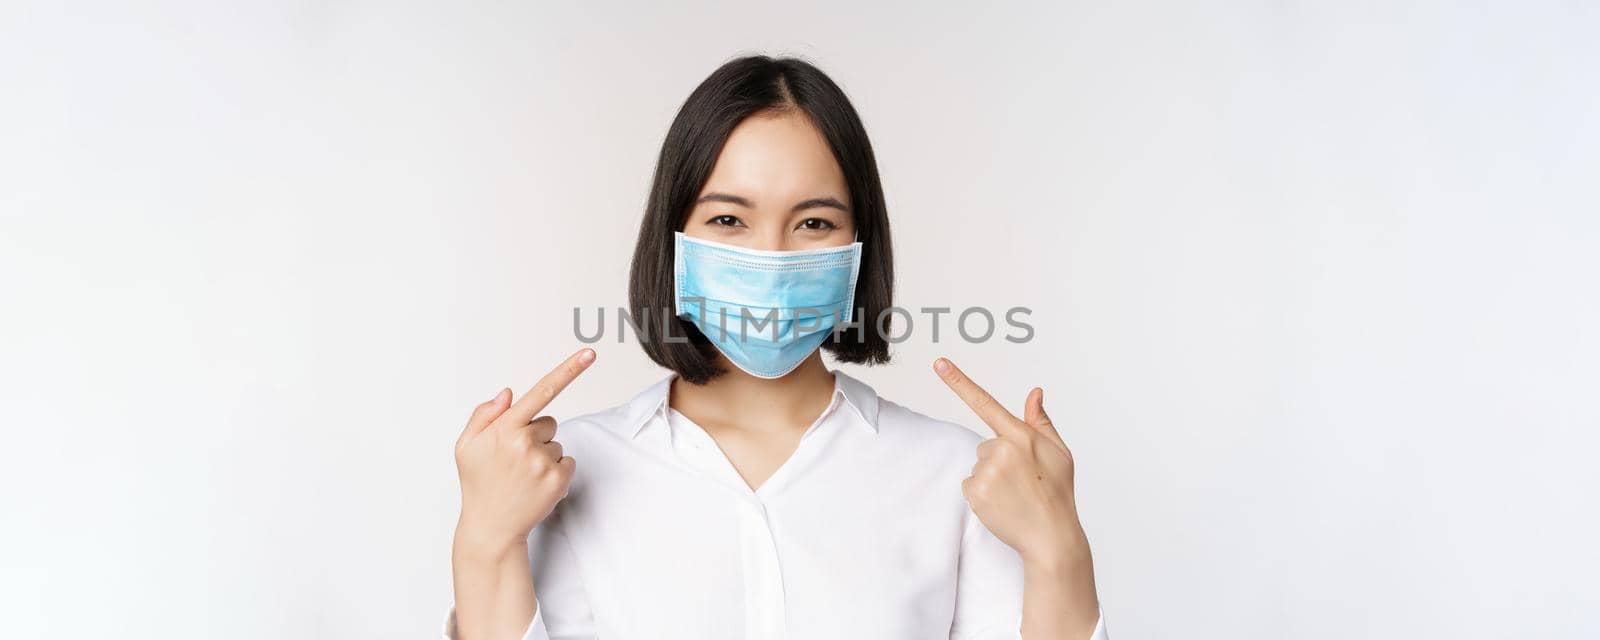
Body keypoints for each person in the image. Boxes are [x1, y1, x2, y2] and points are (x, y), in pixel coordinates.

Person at [446, 55, 1107, 640]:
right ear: (674, 236)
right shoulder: (561, 473)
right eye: (729, 219)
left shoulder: (958, 476)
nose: (771, 257)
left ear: (858, 247)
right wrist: (484, 543)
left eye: (814, 222)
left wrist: (1060, 554)